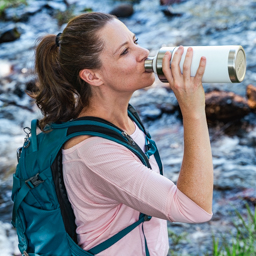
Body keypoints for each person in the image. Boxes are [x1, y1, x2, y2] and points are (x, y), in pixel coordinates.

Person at [34, 12, 213, 256]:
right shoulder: (94, 151)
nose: (145, 54)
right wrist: (193, 111)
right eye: (125, 51)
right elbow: (195, 209)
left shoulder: (120, 119)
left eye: (135, 41)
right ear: (92, 76)